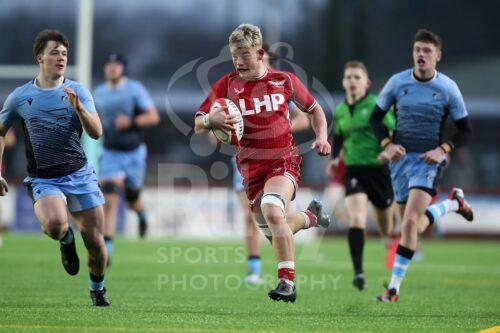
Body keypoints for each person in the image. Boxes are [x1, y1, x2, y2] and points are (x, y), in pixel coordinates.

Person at [194, 24, 331, 302]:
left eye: (244, 54)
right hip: (250, 168)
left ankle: (287, 284)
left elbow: (315, 110)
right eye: (234, 55)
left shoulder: (285, 80)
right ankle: (311, 217)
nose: (238, 61)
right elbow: (198, 123)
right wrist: (211, 120)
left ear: (259, 53)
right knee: (275, 228)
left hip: (284, 160)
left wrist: (322, 137)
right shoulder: (227, 85)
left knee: (271, 208)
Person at [0, 29, 110, 306]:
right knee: (53, 224)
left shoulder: (78, 91)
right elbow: (1, 131)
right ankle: (65, 239)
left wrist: (81, 109)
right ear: (40, 57)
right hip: (44, 179)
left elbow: (96, 132)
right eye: (54, 53)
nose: (61, 58)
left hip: (80, 175)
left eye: (64, 54)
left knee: (96, 244)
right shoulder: (20, 97)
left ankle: (97, 289)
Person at [370, 29, 473, 302]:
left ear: (438, 56)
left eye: (427, 51)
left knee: (411, 222)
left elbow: (465, 130)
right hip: (400, 162)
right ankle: (453, 204)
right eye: (417, 50)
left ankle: (393, 289)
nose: (421, 55)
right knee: (411, 226)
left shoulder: (448, 88)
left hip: (428, 161)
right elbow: (374, 119)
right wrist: (386, 145)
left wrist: (443, 149)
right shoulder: (397, 83)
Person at [234, 43, 310, 285]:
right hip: (246, 162)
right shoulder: (235, 90)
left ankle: (286, 275)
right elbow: (217, 129)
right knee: (254, 217)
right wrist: (221, 127)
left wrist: (277, 128)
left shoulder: (279, 89)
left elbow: (304, 119)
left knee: (275, 214)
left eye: (263, 59)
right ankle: (255, 269)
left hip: (278, 158)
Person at [327, 60, 396, 291]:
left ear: (366, 83)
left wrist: (390, 150)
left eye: (357, 77)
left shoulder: (377, 105)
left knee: (385, 225)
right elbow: (338, 137)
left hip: (379, 171)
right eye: (349, 77)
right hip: (354, 170)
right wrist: (335, 158)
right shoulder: (340, 110)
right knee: (356, 218)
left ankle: (390, 241)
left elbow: (394, 131)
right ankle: (359, 273)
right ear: (343, 82)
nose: (352, 81)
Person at [93, 54, 159, 265]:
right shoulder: (99, 93)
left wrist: (130, 122)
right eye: (109, 65)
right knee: (110, 199)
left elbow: (153, 116)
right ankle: (107, 250)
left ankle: (141, 214)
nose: (112, 69)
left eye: (117, 65)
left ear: (123, 68)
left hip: (134, 153)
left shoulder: (134, 89)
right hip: (111, 153)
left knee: (132, 201)